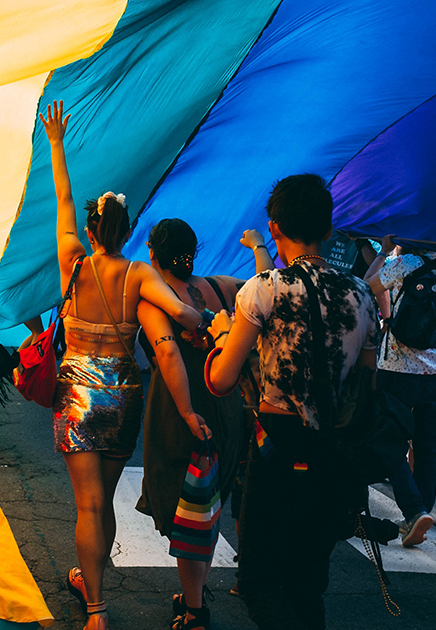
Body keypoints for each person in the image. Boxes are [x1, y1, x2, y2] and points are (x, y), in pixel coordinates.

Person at [39, 100, 201, 630]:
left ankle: (96, 609)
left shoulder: (74, 261)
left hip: (78, 391)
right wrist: (214, 319)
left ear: (91, 229)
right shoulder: (137, 275)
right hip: (123, 393)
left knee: (86, 506)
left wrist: (57, 144)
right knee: (103, 502)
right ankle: (93, 583)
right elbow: (181, 312)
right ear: (128, 231)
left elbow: (62, 197)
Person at [206, 174, 381, 630]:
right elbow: (366, 384)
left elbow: (221, 380)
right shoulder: (362, 296)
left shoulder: (264, 289)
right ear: (328, 229)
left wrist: (222, 336)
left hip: (276, 450)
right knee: (308, 582)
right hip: (334, 453)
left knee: (261, 581)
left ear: (274, 227)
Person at [135, 220, 270, 629]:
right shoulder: (225, 286)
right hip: (226, 405)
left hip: (181, 410)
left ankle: (195, 610)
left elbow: (169, 355)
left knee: (188, 507)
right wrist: (257, 245)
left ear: (154, 255)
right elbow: (268, 284)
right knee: (208, 506)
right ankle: (193, 592)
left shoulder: (154, 300)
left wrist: (186, 413)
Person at [363, 234, 436, 546]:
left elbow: (366, 287)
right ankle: (421, 510)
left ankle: (413, 511)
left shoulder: (403, 264)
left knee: (389, 440)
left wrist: (383, 253)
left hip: (396, 370)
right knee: (426, 447)